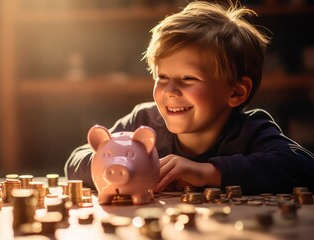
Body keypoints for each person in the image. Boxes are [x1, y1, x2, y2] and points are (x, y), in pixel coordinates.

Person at [64, 1, 314, 195]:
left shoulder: (250, 131)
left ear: (236, 92)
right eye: (162, 77)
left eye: (188, 79)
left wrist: (209, 173)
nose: (170, 91)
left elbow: (304, 168)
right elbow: (75, 162)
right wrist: (117, 166)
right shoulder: (144, 120)